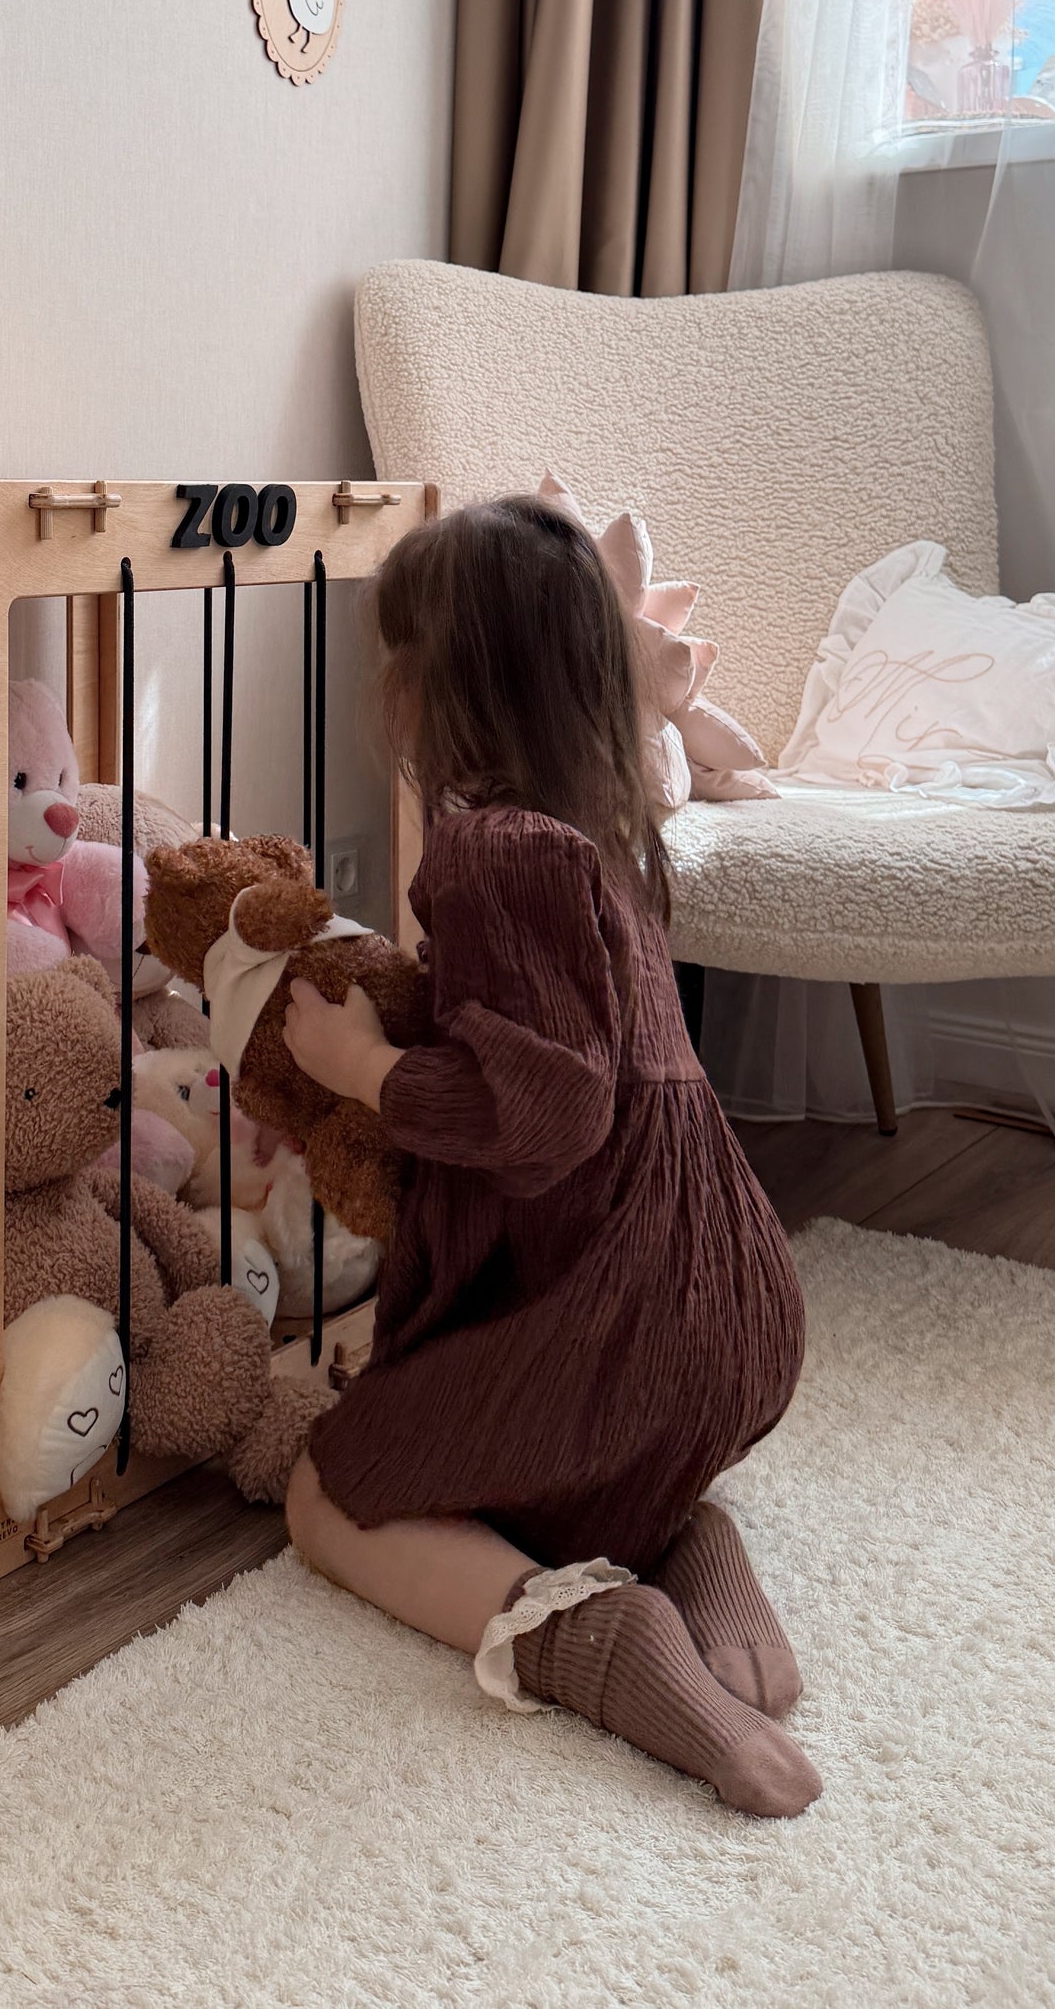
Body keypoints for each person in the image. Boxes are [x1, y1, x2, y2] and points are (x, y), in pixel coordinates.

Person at [282, 494, 818, 1815]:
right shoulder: (604, 842)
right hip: (728, 1316)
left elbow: (548, 1111)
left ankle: (588, 1636)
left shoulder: (489, 852)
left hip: (624, 1326)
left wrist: (363, 1070)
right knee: (551, 1443)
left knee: (328, 1490)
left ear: (429, 691)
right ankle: (683, 1539)